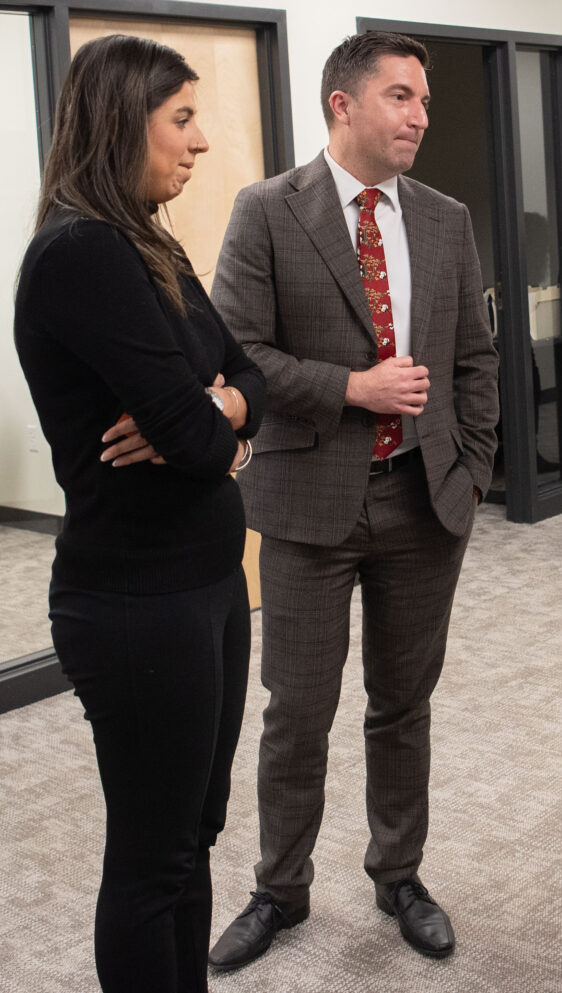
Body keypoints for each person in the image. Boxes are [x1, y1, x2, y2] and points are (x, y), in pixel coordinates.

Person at [207, 30, 499, 970]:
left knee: (402, 703)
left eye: (423, 101)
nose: (421, 115)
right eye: (402, 97)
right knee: (296, 709)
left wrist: (474, 465)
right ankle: (278, 889)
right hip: (304, 504)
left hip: (426, 501)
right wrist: (350, 388)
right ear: (343, 103)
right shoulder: (266, 210)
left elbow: (474, 357)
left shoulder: (446, 217)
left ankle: (398, 875)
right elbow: (237, 351)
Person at [13, 34, 265, 993]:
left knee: (195, 834)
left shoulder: (148, 243)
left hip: (207, 582)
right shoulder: (81, 253)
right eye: (182, 120)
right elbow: (198, 439)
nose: (199, 142)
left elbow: (245, 379)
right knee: (154, 854)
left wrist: (224, 412)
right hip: (134, 602)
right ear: (125, 122)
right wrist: (213, 424)